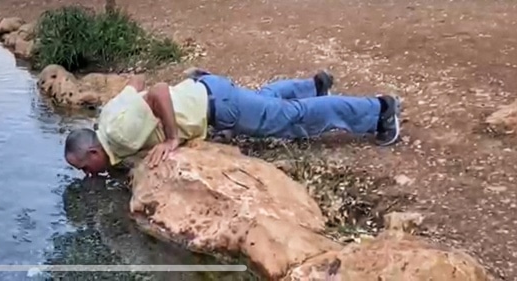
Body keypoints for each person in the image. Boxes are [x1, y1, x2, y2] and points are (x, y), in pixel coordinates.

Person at [64, 68, 401, 176]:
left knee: (290, 118)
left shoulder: (119, 135)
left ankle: (380, 111)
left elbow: (157, 91)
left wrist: (170, 138)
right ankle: (314, 86)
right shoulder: (106, 118)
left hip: (218, 107)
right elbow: (136, 82)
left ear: (94, 152)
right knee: (264, 102)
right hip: (207, 90)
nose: (86, 174)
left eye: (84, 168)